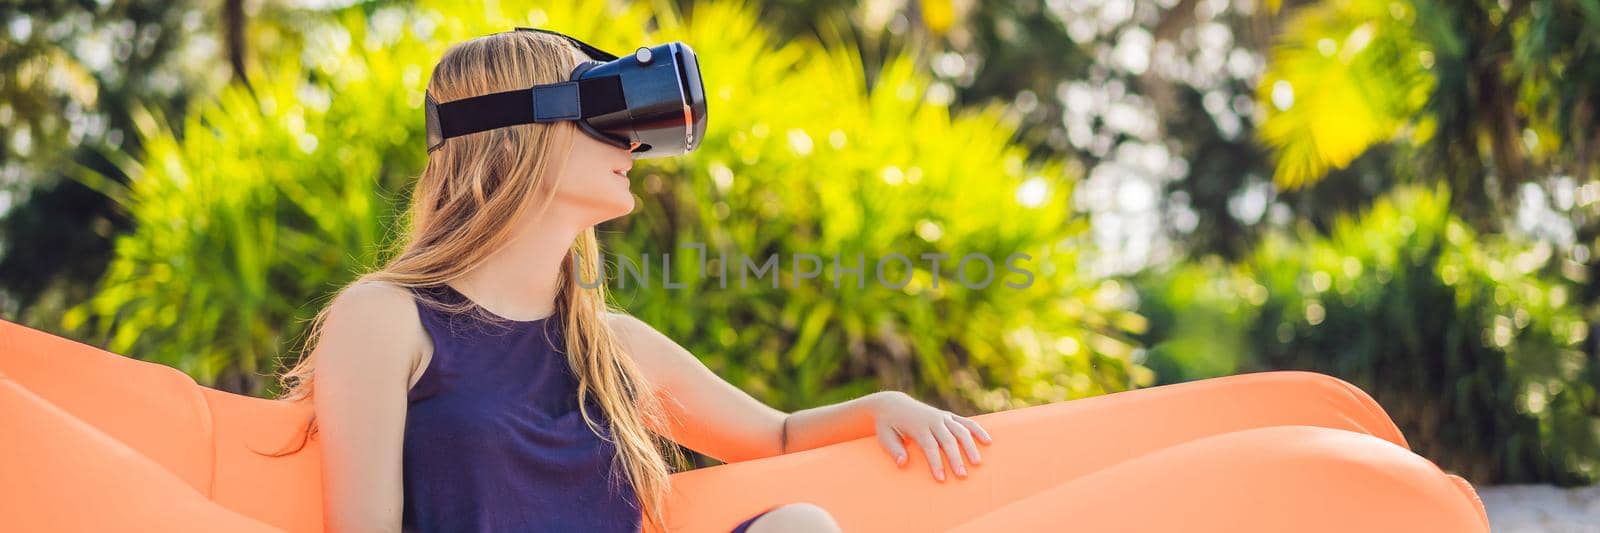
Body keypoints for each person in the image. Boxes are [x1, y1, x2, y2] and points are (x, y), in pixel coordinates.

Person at [276, 29, 990, 533]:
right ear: (525, 134)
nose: (633, 143)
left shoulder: (613, 346)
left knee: (799, 525)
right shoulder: (386, 316)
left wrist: (882, 405)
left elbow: (775, 436)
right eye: (603, 117)